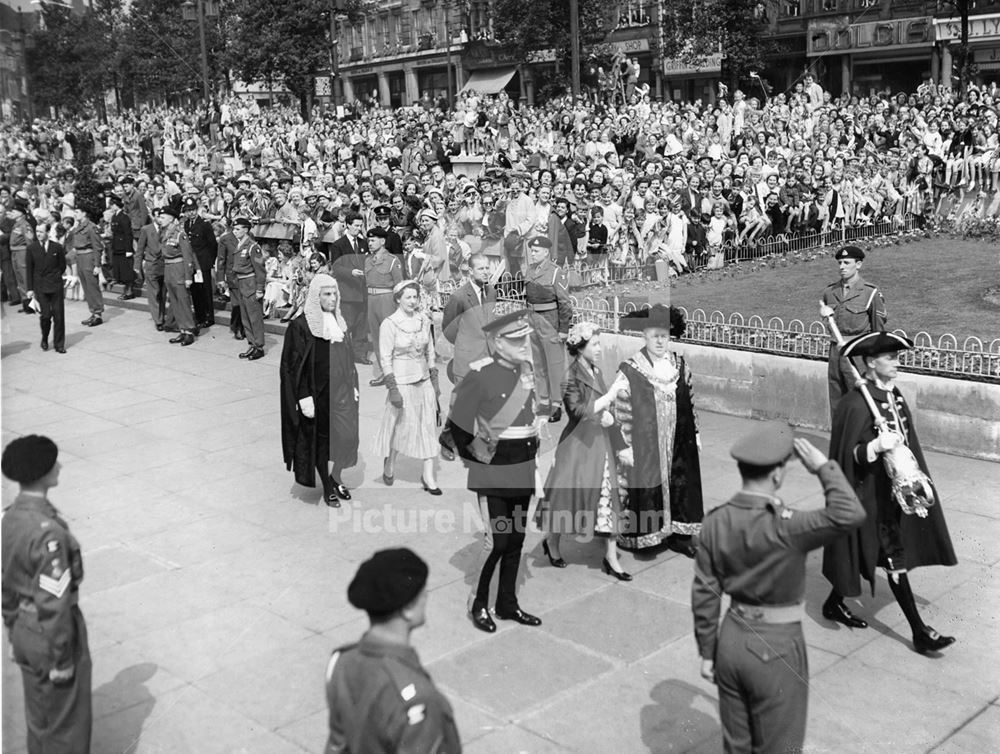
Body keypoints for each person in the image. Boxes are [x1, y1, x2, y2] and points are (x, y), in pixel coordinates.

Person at [692, 423, 865, 754]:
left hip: (730, 642)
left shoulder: (715, 521)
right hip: (777, 647)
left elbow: (704, 594)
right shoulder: (789, 525)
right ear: (776, 475)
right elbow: (849, 513)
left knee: (736, 747)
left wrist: (706, 650)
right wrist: (824, 467)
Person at [821, 331, 958, 654]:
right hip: (868, 495)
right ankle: (920, 632)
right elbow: (847, 454)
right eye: (890, 357)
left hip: (894, 493)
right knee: (888, 554)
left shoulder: (893, 395)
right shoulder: (856, 403)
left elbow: (908, 446)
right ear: (870, 362)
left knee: (868, 551)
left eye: (897, 357)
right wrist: (874, 446)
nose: (897, 363)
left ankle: (833, 603)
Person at [446, 309, 543, 634]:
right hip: (493, 473)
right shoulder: (480, 375)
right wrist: (477, 459)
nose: (523, 345)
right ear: (497, 342)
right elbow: (458, 425)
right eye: (516, 340)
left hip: (523, 469)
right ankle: (478, 602)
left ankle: (507, 603)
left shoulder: (526, 372)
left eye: (524, 339)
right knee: (496, 542)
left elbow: (529, 421)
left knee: (516, 540)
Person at [2, 435, 93, 752]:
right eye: (53, 462)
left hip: (24, 630)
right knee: (67, 727)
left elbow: (6, 583)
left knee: (39, 720)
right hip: (49, 634)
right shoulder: (49, 533)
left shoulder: (8, 517)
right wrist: (62, 658)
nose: (59, 466)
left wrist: (13, 632)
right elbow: (54, 605)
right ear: (41, 472)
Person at [325, 548, 461, 753]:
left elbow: (337, 745)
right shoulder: (416, 699)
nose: (426, 596)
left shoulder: (341, 663)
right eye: (422, 592)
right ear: (407, 610)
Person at [535, 322, 633, 579]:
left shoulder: (594, 369)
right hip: (578, 445)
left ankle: (611, 557)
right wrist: (610, 396)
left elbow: (598, 408)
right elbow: (577, 412)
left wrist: (610, 421)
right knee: (566, 499)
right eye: (595, 344)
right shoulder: (569, 376)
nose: (599, 348)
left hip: (599, 442)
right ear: (581, 347)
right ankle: (552, 542)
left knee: (608, 497)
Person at [614, 304, 704, 555]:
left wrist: (695, 432)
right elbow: (621, 411)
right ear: (644, 335)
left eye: (664, 335)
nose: (660, 341)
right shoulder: (631, 369)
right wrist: (625, 445)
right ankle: (649, 535)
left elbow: (690, 401)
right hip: (646, 445)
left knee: (682, 484)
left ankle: (680, 535)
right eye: (655, 335)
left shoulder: (680, 365)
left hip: (678, 440)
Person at [280, 274, 360, 506]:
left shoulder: (340, 322)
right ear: (316, 296)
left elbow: (348, 358)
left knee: (348, 436)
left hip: (341, 390)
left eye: (335, 293)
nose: (333, 298)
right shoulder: (300, 326)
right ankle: (327, 486)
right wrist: (304, 396)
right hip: (318, 393)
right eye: (327, 294)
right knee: (321, 441)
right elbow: (293, 365)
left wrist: (352, 384)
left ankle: (336, 476)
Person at [374, 280, 442, 494]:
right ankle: (390, 462)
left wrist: (434, 380)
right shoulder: (390, 323)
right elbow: (385, 358)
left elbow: (430, 351)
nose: (413, 301)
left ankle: (428, 475)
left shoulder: (424, 320)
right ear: (398, 299)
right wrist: (392, 388)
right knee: (402, 428)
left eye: (415, 297)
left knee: (429, 427)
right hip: (402, 382)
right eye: (408, 297)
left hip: (423, 380)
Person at [439, 253, 496, 459]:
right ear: (470, 272)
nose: (486, 272)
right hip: (467, 358)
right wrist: (467, 345)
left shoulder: (492, 292)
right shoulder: (459, 296)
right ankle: (447, 441)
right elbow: (449, 328)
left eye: (487, 268)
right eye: (481, 269)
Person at [820, 245, 886, 418]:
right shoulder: (830, 291)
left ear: (858, 265)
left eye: (846, 263)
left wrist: (876, 360)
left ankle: (861, 440)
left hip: (858, 352)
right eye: (840, 263)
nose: (842, 266)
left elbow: (878, 329)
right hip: (836, 351)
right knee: (836, 398)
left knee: (860, 397)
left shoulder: (870, 293)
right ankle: (840, 441)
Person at [523, 235, 572, 422]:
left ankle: (556, 404)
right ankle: (543, 402)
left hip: (550, 321)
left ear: (546, 252)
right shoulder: (529, 270)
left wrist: (563, 329)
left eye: (536, 251)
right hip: (533, 320)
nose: (533, 254)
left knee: (554, 365)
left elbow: (565, 303)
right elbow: (527, 298)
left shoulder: (556, 272)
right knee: (538, 364)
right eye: (532, 250)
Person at [364, 226, 404, 387]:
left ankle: (397, 373)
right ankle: (384, 372)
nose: (370, 243)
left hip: (387, 299)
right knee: (376, 338)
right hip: (371, 300)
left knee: (390, 338)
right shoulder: (368, 260)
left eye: (373, 240)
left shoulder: (392, 260)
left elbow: (399, 285)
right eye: (368, 240)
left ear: (382, 241)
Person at [329, 211, 370, 364]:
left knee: (361, 326)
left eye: (361, 226)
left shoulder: (364, 243)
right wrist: (351, 272)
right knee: (346, 325)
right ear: (347, 225)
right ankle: (344, 356)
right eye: (356, 226)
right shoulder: (338, 245)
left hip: (362, 291)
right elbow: (336, 267)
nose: (358, 229)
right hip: (347, 291)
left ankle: (360, 354)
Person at [158, 201, 198, 346]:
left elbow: (188, 257)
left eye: (162, 217)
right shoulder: (165, 233)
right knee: (174, 302)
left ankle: (189, 331)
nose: (159, 220)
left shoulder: (180, 234)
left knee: (183, 301)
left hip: (179, 269)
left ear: (171, 219)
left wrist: (188, 276)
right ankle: (182, 329)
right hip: (169, 270)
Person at [25, 218, 68, 354]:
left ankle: (59, 344)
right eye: (36, 231)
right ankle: (44, 337)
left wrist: (55, 276)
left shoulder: (57, 247)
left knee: (59, 316)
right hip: (41, 287)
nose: (38, 234)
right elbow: (29, 270)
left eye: (41, 232)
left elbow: (62, 266)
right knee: (45, 316)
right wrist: (30, 289)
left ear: (48, 232)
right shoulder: (31, 248)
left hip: (55, 285)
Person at [230, 217, 266, 361]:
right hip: (241, 283)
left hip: (251, 283)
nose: (235, 231)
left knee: (254, 317)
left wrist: (259, 289)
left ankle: (259, 346)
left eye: (238, 229)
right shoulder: (240, 245)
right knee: (245, 317)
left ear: (246, 229)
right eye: (234, 229)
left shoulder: (252, 246)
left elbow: (260, 270)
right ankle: (252, 344)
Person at [65, 206, 105, 328]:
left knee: (92, 286)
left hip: (89, 257)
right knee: (86, 287)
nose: (75, 214)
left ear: (84, 213)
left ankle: (98, 314)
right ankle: (93, 311)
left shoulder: (91, 227)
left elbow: (97, 247)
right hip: (80, 257)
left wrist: (97, 265)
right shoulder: (78, 227)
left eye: (77, 212)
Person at [183, 196, 218, 329]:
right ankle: (200, 316)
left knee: (205, 290)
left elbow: (212, 245)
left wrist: (210, 261)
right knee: (195, 291)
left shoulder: (205, 224)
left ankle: (209, 317)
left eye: (192, 210)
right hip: (191, 264)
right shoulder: (186, 224)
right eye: (188, 210)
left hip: (203, 262)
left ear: (196, 210)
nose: (190, 213)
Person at [137, 207, 173, 332]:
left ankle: (161, 316)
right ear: (153, 216)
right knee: (154, 293)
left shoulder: (167, 229)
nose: (159, 219)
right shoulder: (146, 229)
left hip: (164, 265)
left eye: (162, 216)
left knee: (163, 293)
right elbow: (140, 248)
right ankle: (158, 320)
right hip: (152, 264)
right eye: (157, 216)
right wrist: (137, 266)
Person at [107, 195, 136, 300]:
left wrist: (128, 249)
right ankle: (126, 291)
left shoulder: (124, 217)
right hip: (117, 246)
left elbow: (128, 233)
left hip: (123, 246)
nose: (111, 206)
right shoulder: (115, 216)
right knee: (120, 270)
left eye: (112, 204)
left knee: (126, 270)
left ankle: (129, 291)